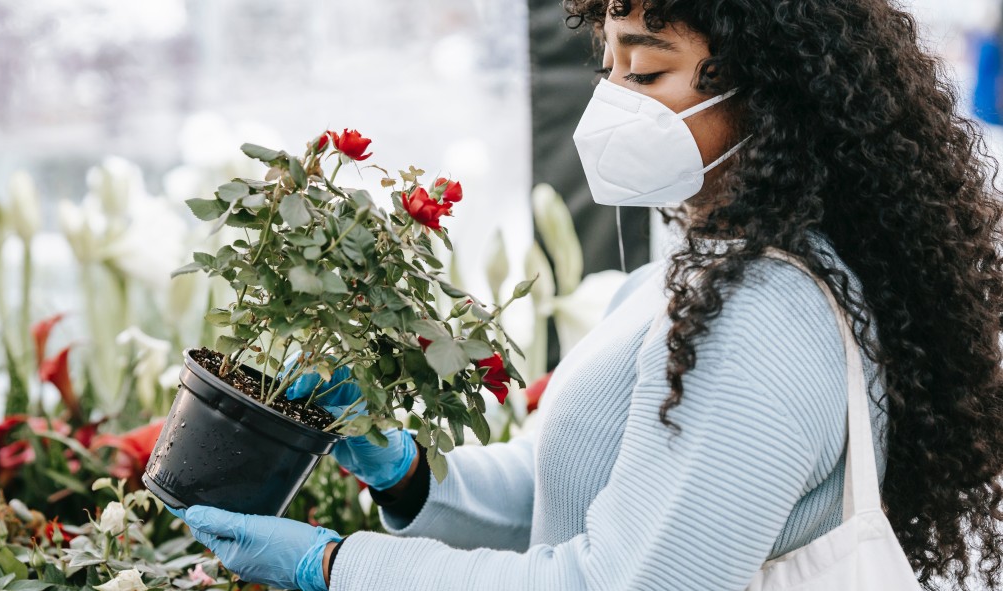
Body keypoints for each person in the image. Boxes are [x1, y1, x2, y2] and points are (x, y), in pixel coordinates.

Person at [172, 1, 1003, 589]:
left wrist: (334, 565)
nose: (611, 103)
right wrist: (411, 475)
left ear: (774, 88)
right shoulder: (696, 266)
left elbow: (620, 579)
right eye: (608, 67)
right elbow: (581, 488)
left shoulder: (763, 312)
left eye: (644, 69)